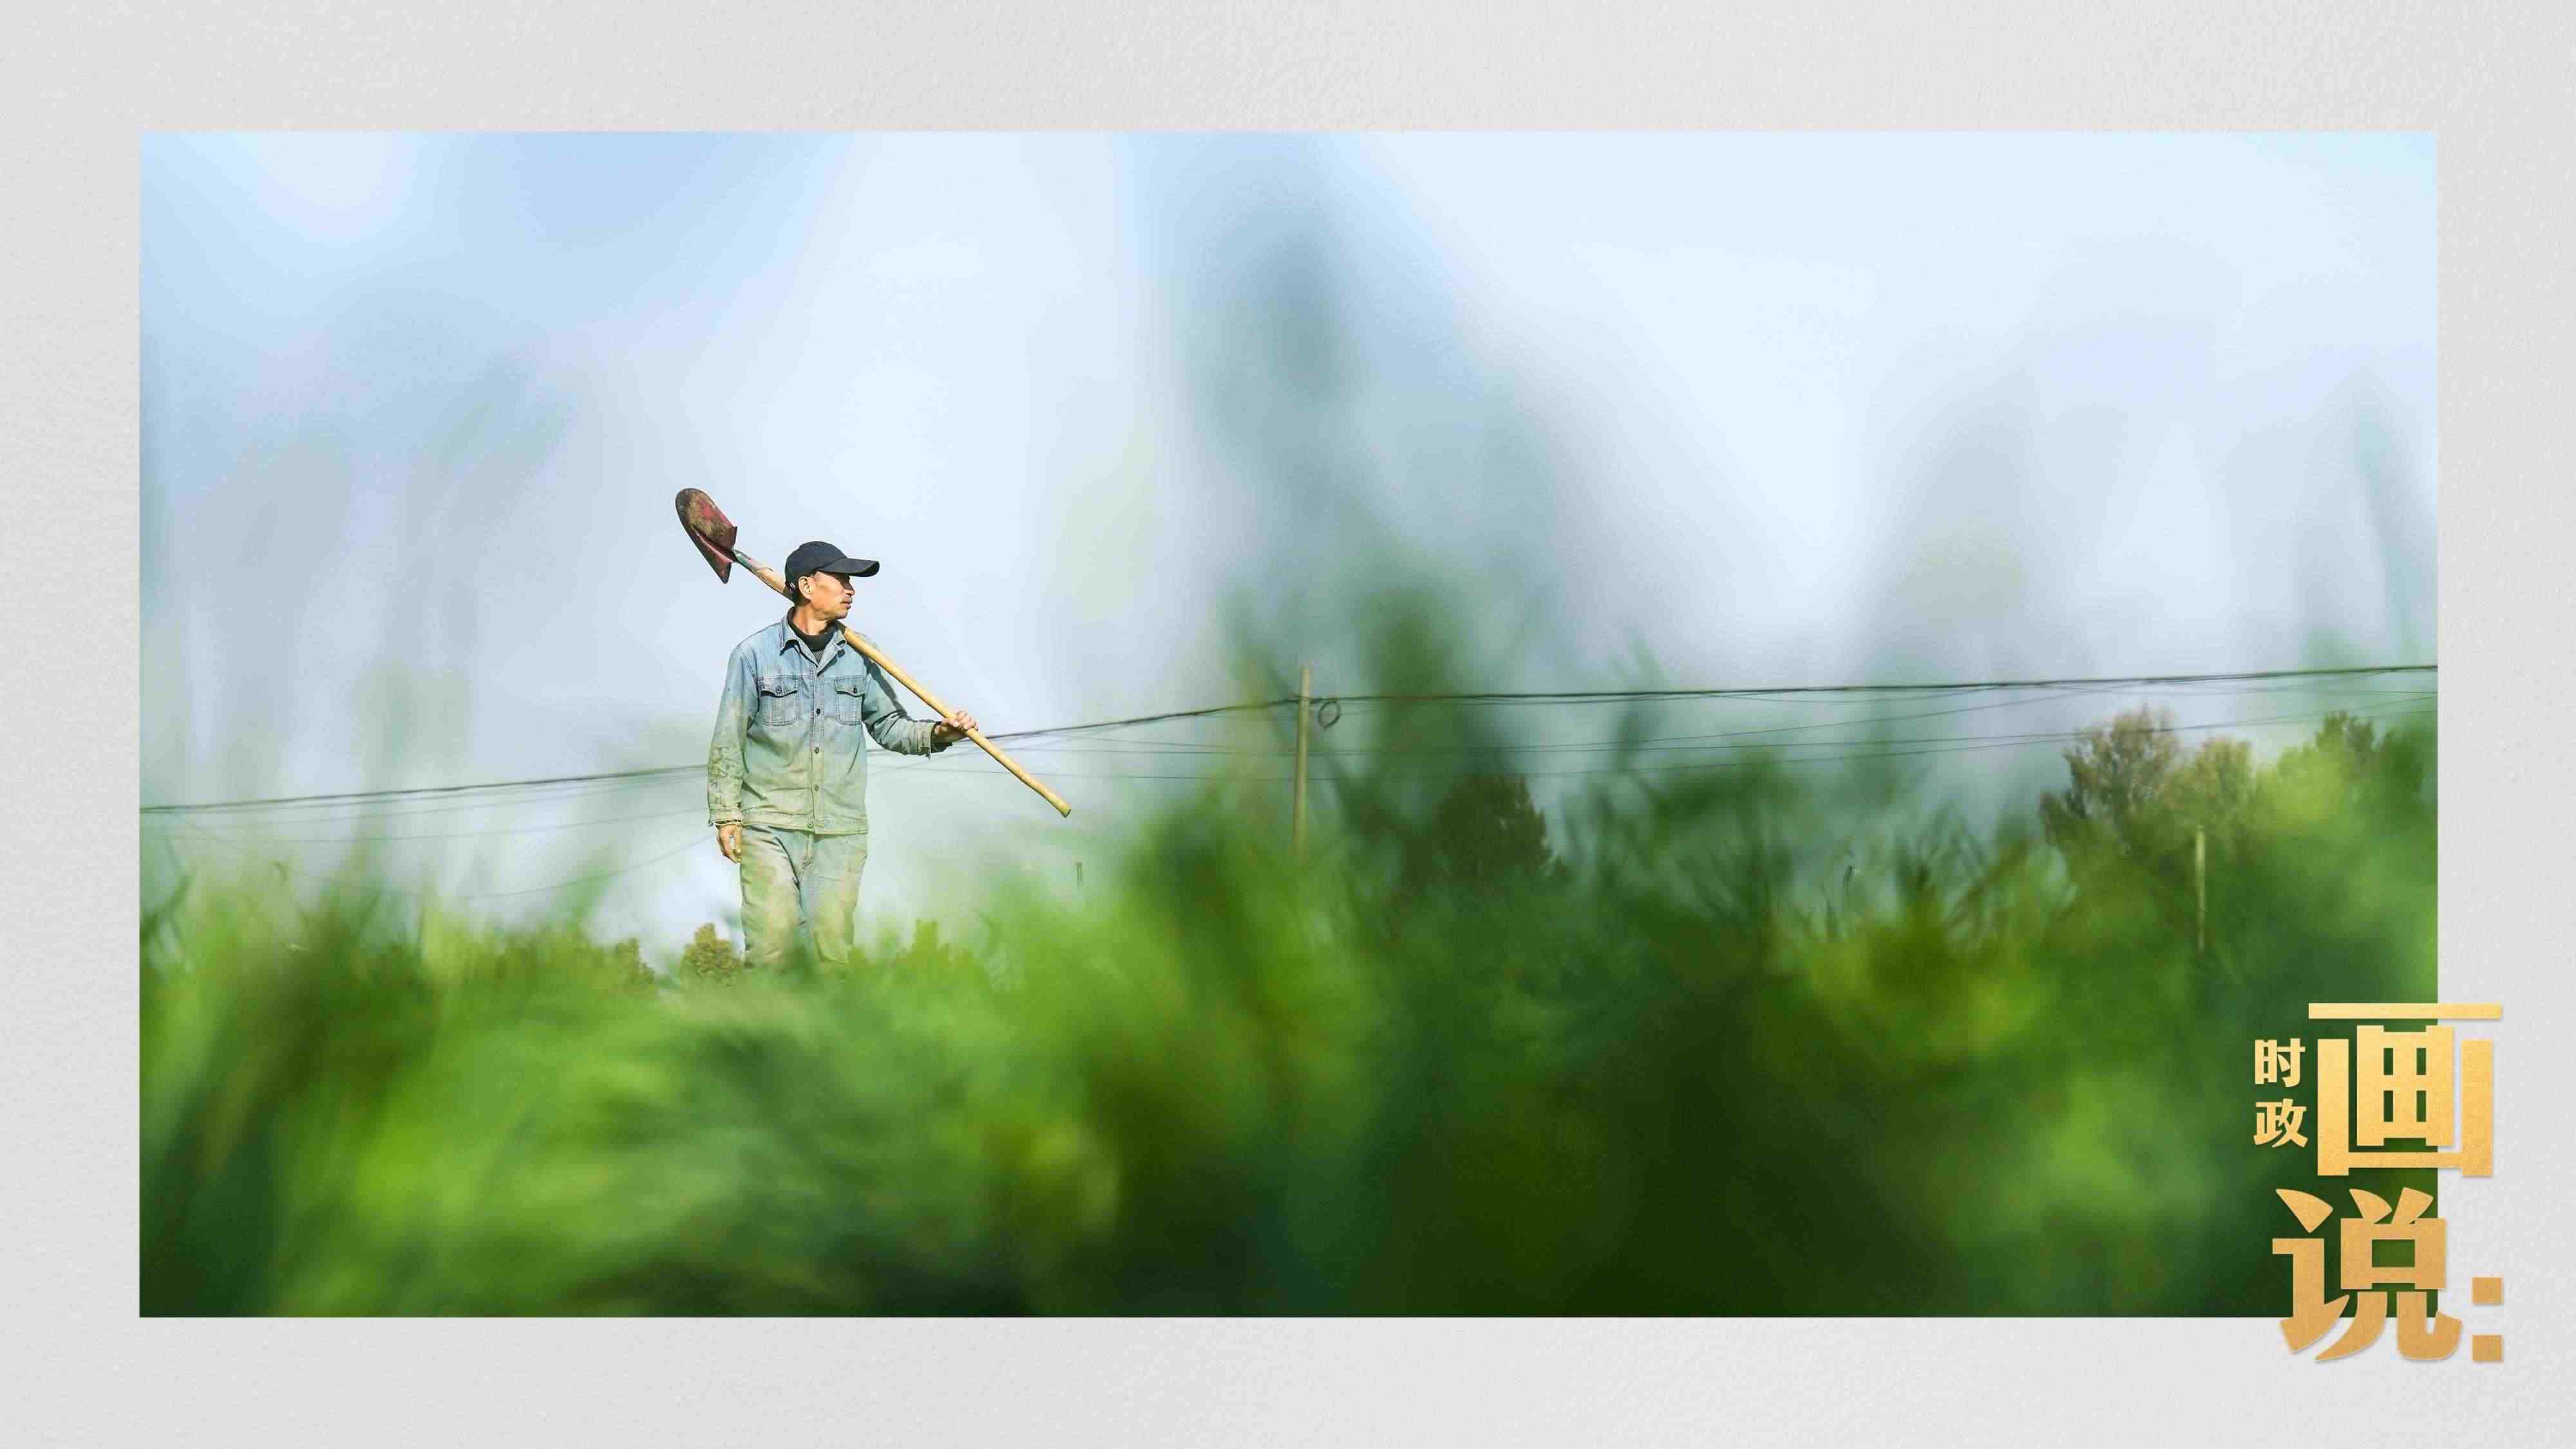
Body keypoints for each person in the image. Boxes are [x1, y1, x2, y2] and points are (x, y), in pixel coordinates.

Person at [706, 540, 976, 970]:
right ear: (807, 586)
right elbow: (728, 738)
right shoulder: (754, 656)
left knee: (831, 957)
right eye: (842, 580)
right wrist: (726, 815)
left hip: (840, 832)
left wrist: (941, 733)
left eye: (852, 582)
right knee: (772, 948)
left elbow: (890, 726)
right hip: (769, 826)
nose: (851, 590)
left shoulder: (861, 654)